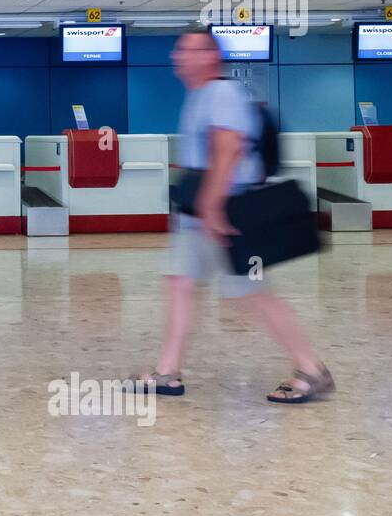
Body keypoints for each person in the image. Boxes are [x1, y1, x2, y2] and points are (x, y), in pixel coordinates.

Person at [135, 27, 334, 405]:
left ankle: (311, 370)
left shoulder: (222, 94)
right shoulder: (199, 95)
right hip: (198, 217)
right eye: (179, 50)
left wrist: (211, 207)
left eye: (190, 51)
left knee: (255, 293)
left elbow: (228, 150)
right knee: (179, 282)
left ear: (211, 57)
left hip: (228, 216)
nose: (180, 57)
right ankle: (168, 373)